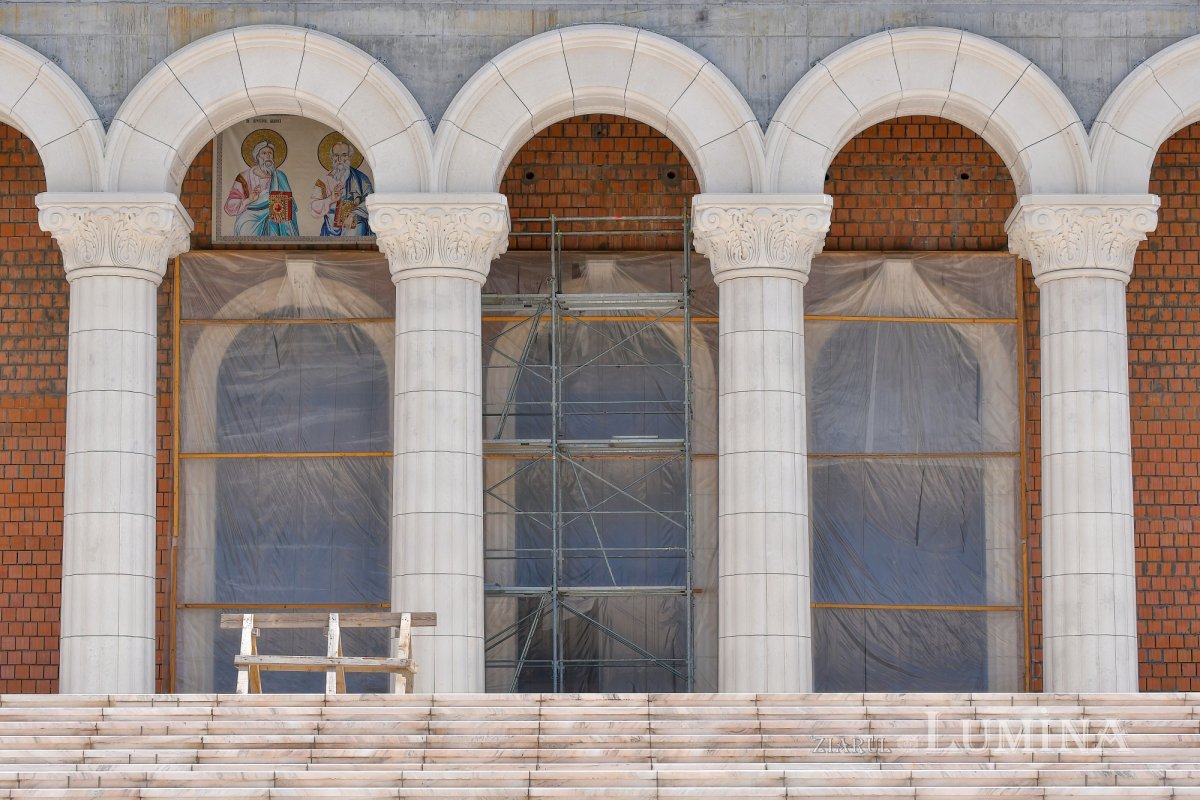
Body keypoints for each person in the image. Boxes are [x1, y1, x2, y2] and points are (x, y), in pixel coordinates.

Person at [223, 139, 299, 237]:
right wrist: (249, 199)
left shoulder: (280, 176)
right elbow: (229, 206)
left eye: (270, 153)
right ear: (257, 157)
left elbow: (290, 202)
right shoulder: (244, 177)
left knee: (279, 228)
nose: (268, 156)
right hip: (250, 217)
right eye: (264, 153)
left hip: (276, 217)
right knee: (246, 229)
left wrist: (282, 213)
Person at [310, 138, 373, 237]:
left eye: (344, 155)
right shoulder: (323, 181)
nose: (339, 160)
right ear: (332, 157)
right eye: (336, 155)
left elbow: (371, 202)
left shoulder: (361, 179)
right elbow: (314, 207)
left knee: (356, 228)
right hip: (331, 227)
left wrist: (353, 214)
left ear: (350, 156)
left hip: (355, 224)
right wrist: (331, 199)